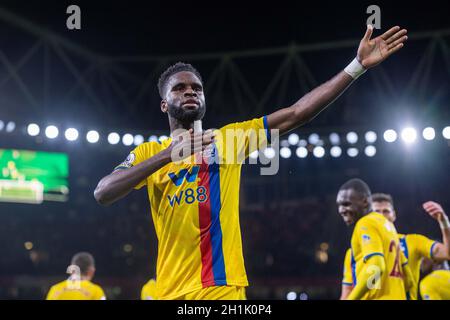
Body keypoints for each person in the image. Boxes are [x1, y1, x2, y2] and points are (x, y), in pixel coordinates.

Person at [94, 25, 408, 300]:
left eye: (197, 88)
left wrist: (357, 66)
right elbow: (103, 192)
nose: (190, 91)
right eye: (179, 88)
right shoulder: (149, 152)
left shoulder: (228, 140)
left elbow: (297, 113)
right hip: (167, 289)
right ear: (165, 104)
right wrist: (169, 154)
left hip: (219, 287)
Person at [340, 196, 450, 299]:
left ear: (394, 215)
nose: (381, 215)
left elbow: (446, 253)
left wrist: (444, 221)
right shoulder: (353, 253)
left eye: (386, 211)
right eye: (376, 212)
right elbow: (347, 292)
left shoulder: (413, 241)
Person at [336, 179, 414, 300]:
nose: (341, 210)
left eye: (346, 204)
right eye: (339, 205)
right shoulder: (388, 227)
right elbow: (409, 279)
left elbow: (376, 268)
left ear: (365, 202)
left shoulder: (365, 223)